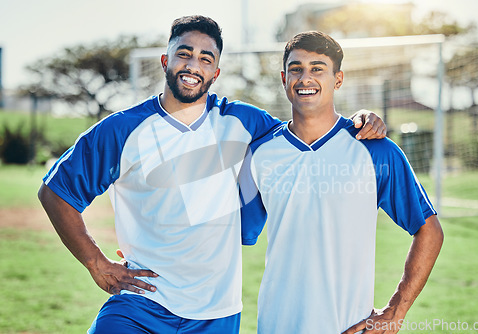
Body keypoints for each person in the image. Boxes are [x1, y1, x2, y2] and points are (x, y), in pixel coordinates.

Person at [38, 16, 386, 334]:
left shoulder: (244, 122)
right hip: (140, 303)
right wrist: (95, 261)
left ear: (216, 73)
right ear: (166, 60)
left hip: (216, 314)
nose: (193, 65)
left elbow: (305, 128)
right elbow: (56, 192)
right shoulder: (122, 129)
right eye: (184, 54)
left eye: (206, 59)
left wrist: (361, 118)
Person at [241, 31, 444, 334]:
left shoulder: (375, 149)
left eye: (317, 69)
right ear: (284, 78)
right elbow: (234, 232)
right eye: (296, 69)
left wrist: (395, 311)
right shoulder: (259, 153)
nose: (305, 78)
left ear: (338, 79)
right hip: (275, 324)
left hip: (348, 326)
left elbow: (429, 231)